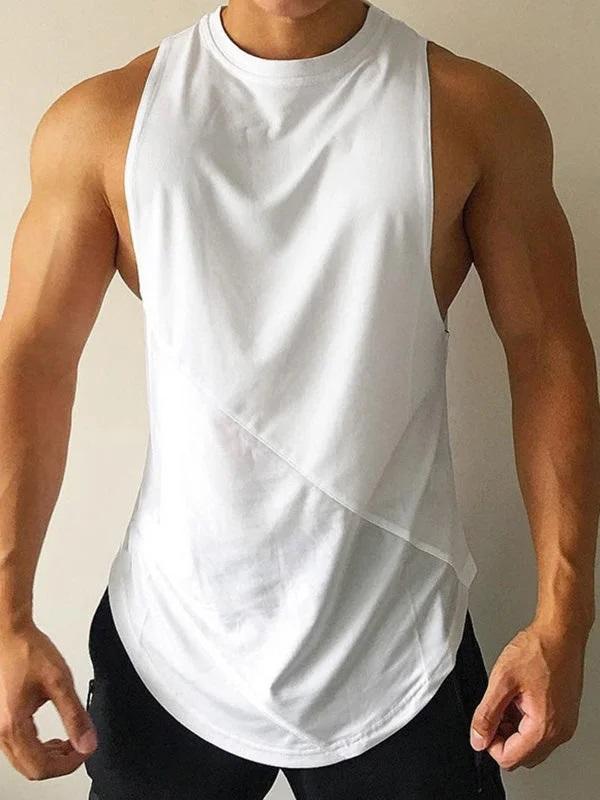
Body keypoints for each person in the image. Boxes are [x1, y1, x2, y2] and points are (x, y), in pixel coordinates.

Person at [0, 0, 597, 798]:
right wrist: (5, 615)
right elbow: (33, 360)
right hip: (172, 647)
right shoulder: (103, 122)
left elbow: (548, 353)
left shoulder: (475, 114)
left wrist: (565, 619)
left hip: (399, 647)